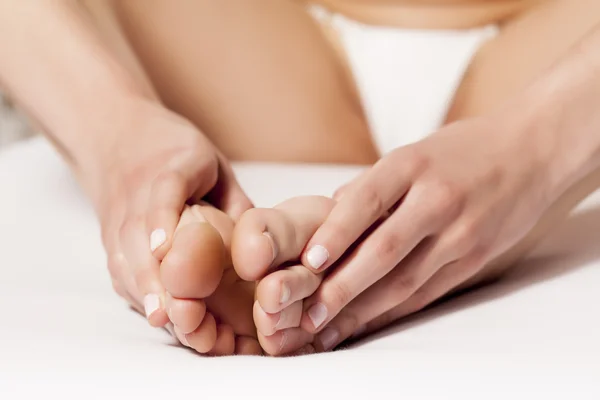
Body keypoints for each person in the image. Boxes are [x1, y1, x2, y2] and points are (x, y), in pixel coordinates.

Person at [1, 0, 600, 356]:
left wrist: (539, 149)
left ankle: (310, 247)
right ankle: (300, 249)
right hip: (262, 48)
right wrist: (117, 130)